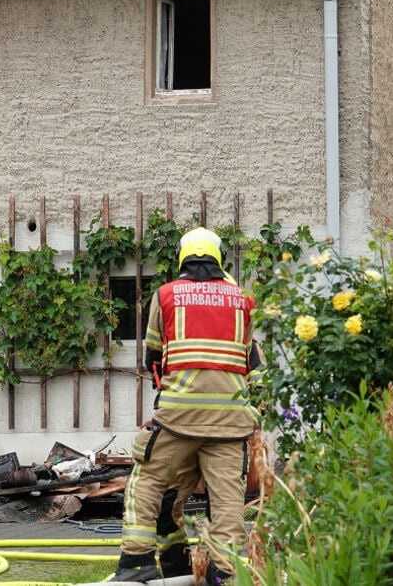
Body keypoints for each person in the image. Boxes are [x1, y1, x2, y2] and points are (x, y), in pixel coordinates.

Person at [113, 227, 260, 586]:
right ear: (219, 259)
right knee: (227, 500)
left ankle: (137, 562)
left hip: (178, 415)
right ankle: (223, 573)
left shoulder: (166, 295)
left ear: (182, 257)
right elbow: (252, 363)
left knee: (147, 481)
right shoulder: (244, 299)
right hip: (231, 419)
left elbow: (154, 357)